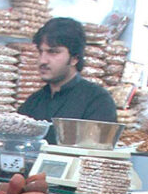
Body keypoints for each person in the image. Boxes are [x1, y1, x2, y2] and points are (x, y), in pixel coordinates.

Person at [18, 17, 118, 145]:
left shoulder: (97, 100)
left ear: (74, 58)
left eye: (53, 52)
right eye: (40, 52)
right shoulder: (33, 102)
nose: (43, 60)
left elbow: (97, 159)